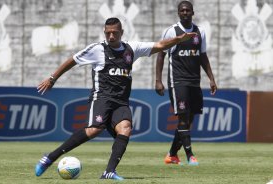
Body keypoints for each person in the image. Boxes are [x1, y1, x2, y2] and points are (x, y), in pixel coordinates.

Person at [35, 17, 197, 180]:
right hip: (102, 98)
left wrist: (178, 39)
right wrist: (52, 78)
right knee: (94, 130)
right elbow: (73, 60)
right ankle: (49, 158)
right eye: (108, 33)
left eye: (115, 33)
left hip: (121, 102)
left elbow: (160, 45)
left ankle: (109, 172)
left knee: (125, 128)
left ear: (122, 32)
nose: (111, 36)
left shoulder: (132, 49)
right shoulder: (97, 49)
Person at [155, 1, 217, 166]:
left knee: (189, 120)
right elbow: (161, 54)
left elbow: (203, 56)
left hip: (194, 82)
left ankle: (172, 154)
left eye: (187, 10)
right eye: (182, 10)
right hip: (177, 81)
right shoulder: (171, 31)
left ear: (192, 12)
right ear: (178, 13)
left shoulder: (199, 32)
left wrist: (211, 78)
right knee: (183, 118)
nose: (185, 13)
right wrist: (158, 80)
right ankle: (190, 156)